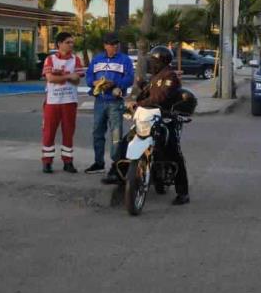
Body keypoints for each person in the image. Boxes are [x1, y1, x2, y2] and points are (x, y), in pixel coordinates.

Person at [104, 46, 190, 206]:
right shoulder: (155, 77)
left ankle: (183, 193)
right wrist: (141, 88)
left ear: (161, 61)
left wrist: (138, 103)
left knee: (173, 153)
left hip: (165, 119)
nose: (151, 63)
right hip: (147, 117)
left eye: (153, 60)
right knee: (126, 141)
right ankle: (117, 173)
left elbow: (160, 96)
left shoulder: (170, 76)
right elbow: (147, 93)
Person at [84, 32, 134, 175]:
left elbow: (130, 78)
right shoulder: (97, 59)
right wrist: (93, 82)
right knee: (97, 132)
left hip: (115, 102)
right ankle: (98, 163)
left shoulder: (125, 60)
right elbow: (89, 76)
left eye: (116, 44)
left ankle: (115, 165)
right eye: (111, 44)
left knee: (116, 134)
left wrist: (115, 83)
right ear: (105, 45)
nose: (114, 46)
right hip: (99, 101)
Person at [40, 32, 83, 174]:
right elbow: (50, 78)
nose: (71, 45)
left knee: (68, 132)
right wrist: (69, 76)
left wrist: (64, 77)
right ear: (59, 43)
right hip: (52, 102)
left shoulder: (76, 59)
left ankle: (68, 161)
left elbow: (78, 79)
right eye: (68, 42)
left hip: (69, 101)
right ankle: (47, 162)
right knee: (49, 132)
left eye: (72, 42)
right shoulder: (50, 59)